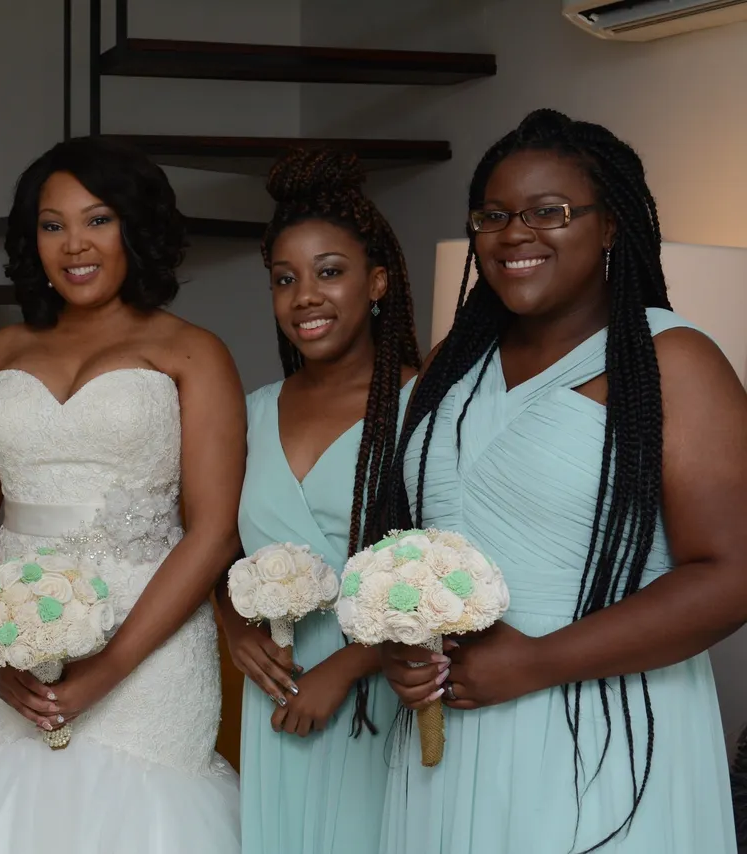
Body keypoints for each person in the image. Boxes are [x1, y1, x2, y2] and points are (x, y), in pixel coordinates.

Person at [378, 108, 743, 853]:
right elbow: (416, 545)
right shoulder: (453, 363)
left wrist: (538, 662)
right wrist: (402, 645)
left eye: (551, 212)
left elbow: (733, 573)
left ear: (609, 227)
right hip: (449, 734)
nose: (516, 234)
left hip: (603, 732)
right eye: (495, 215)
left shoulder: (674, 362)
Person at [0, 136, 245, 853]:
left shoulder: (193, 352)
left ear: (136, 226)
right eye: (51, 224)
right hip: (16, 646)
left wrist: (111, 666)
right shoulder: (0, 353)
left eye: (97, 220)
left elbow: (213, 531)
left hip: (148, 651)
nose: (73, 245)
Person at [220, 147, 419, 854]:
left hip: (387, 692)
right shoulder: (247, 412)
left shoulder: (425, 406)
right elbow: (215, 551)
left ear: (378, 282)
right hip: (278, 695)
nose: (305, 296)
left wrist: (348, 665)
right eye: (285, 279)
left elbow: (452, 569)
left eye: (329, 272)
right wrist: (237, 633)